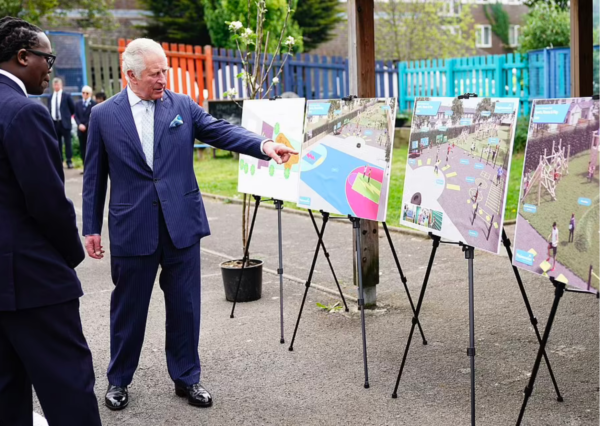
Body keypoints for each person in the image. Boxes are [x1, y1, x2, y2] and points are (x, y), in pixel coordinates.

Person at [82, 38, 297, 411]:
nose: (163, 78)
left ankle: (186, 378)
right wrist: (91, 227)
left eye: (165, 70)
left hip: (181, 225)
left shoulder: (181, 105)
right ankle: (118, 380)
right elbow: (94, 177)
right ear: (129, 75)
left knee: (185, 307)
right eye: (154, 74)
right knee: (128, 309)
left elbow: (221, 131)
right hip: (133, 227)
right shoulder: (103, 115)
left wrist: (264, 146)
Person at [0, 16, 102, 426]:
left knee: (7, 387)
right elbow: (47, 203)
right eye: (48, 58)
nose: (50, 68)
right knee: (68, 384)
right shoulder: (24, 112)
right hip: (33, 281)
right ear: (23, 57)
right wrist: (69, 256)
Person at [48, 77, 75, 168]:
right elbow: (50, 109)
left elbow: (72, 108)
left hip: (65, 123)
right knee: (57, 143)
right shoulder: (51, 97)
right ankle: (59, 160)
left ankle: (69, 160)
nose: (56, 86)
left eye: (58, 84)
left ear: (61, 85)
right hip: (55, 123)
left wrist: (67, 117)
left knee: (68, 143)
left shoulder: (66, 96)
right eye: (54, 84)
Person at [74, 85, 96, 170]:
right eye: (83, 93)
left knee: (90, 149)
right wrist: (79, 124)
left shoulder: (93, 103)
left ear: (90, 94)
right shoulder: (78, 103)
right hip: (80, 130)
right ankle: (85, 167)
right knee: (82, 149)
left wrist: (86, 125)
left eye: (87, 93)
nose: (85, 94)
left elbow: (92, 116)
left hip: (89, 130)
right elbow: (75, 115)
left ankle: (91, 167)